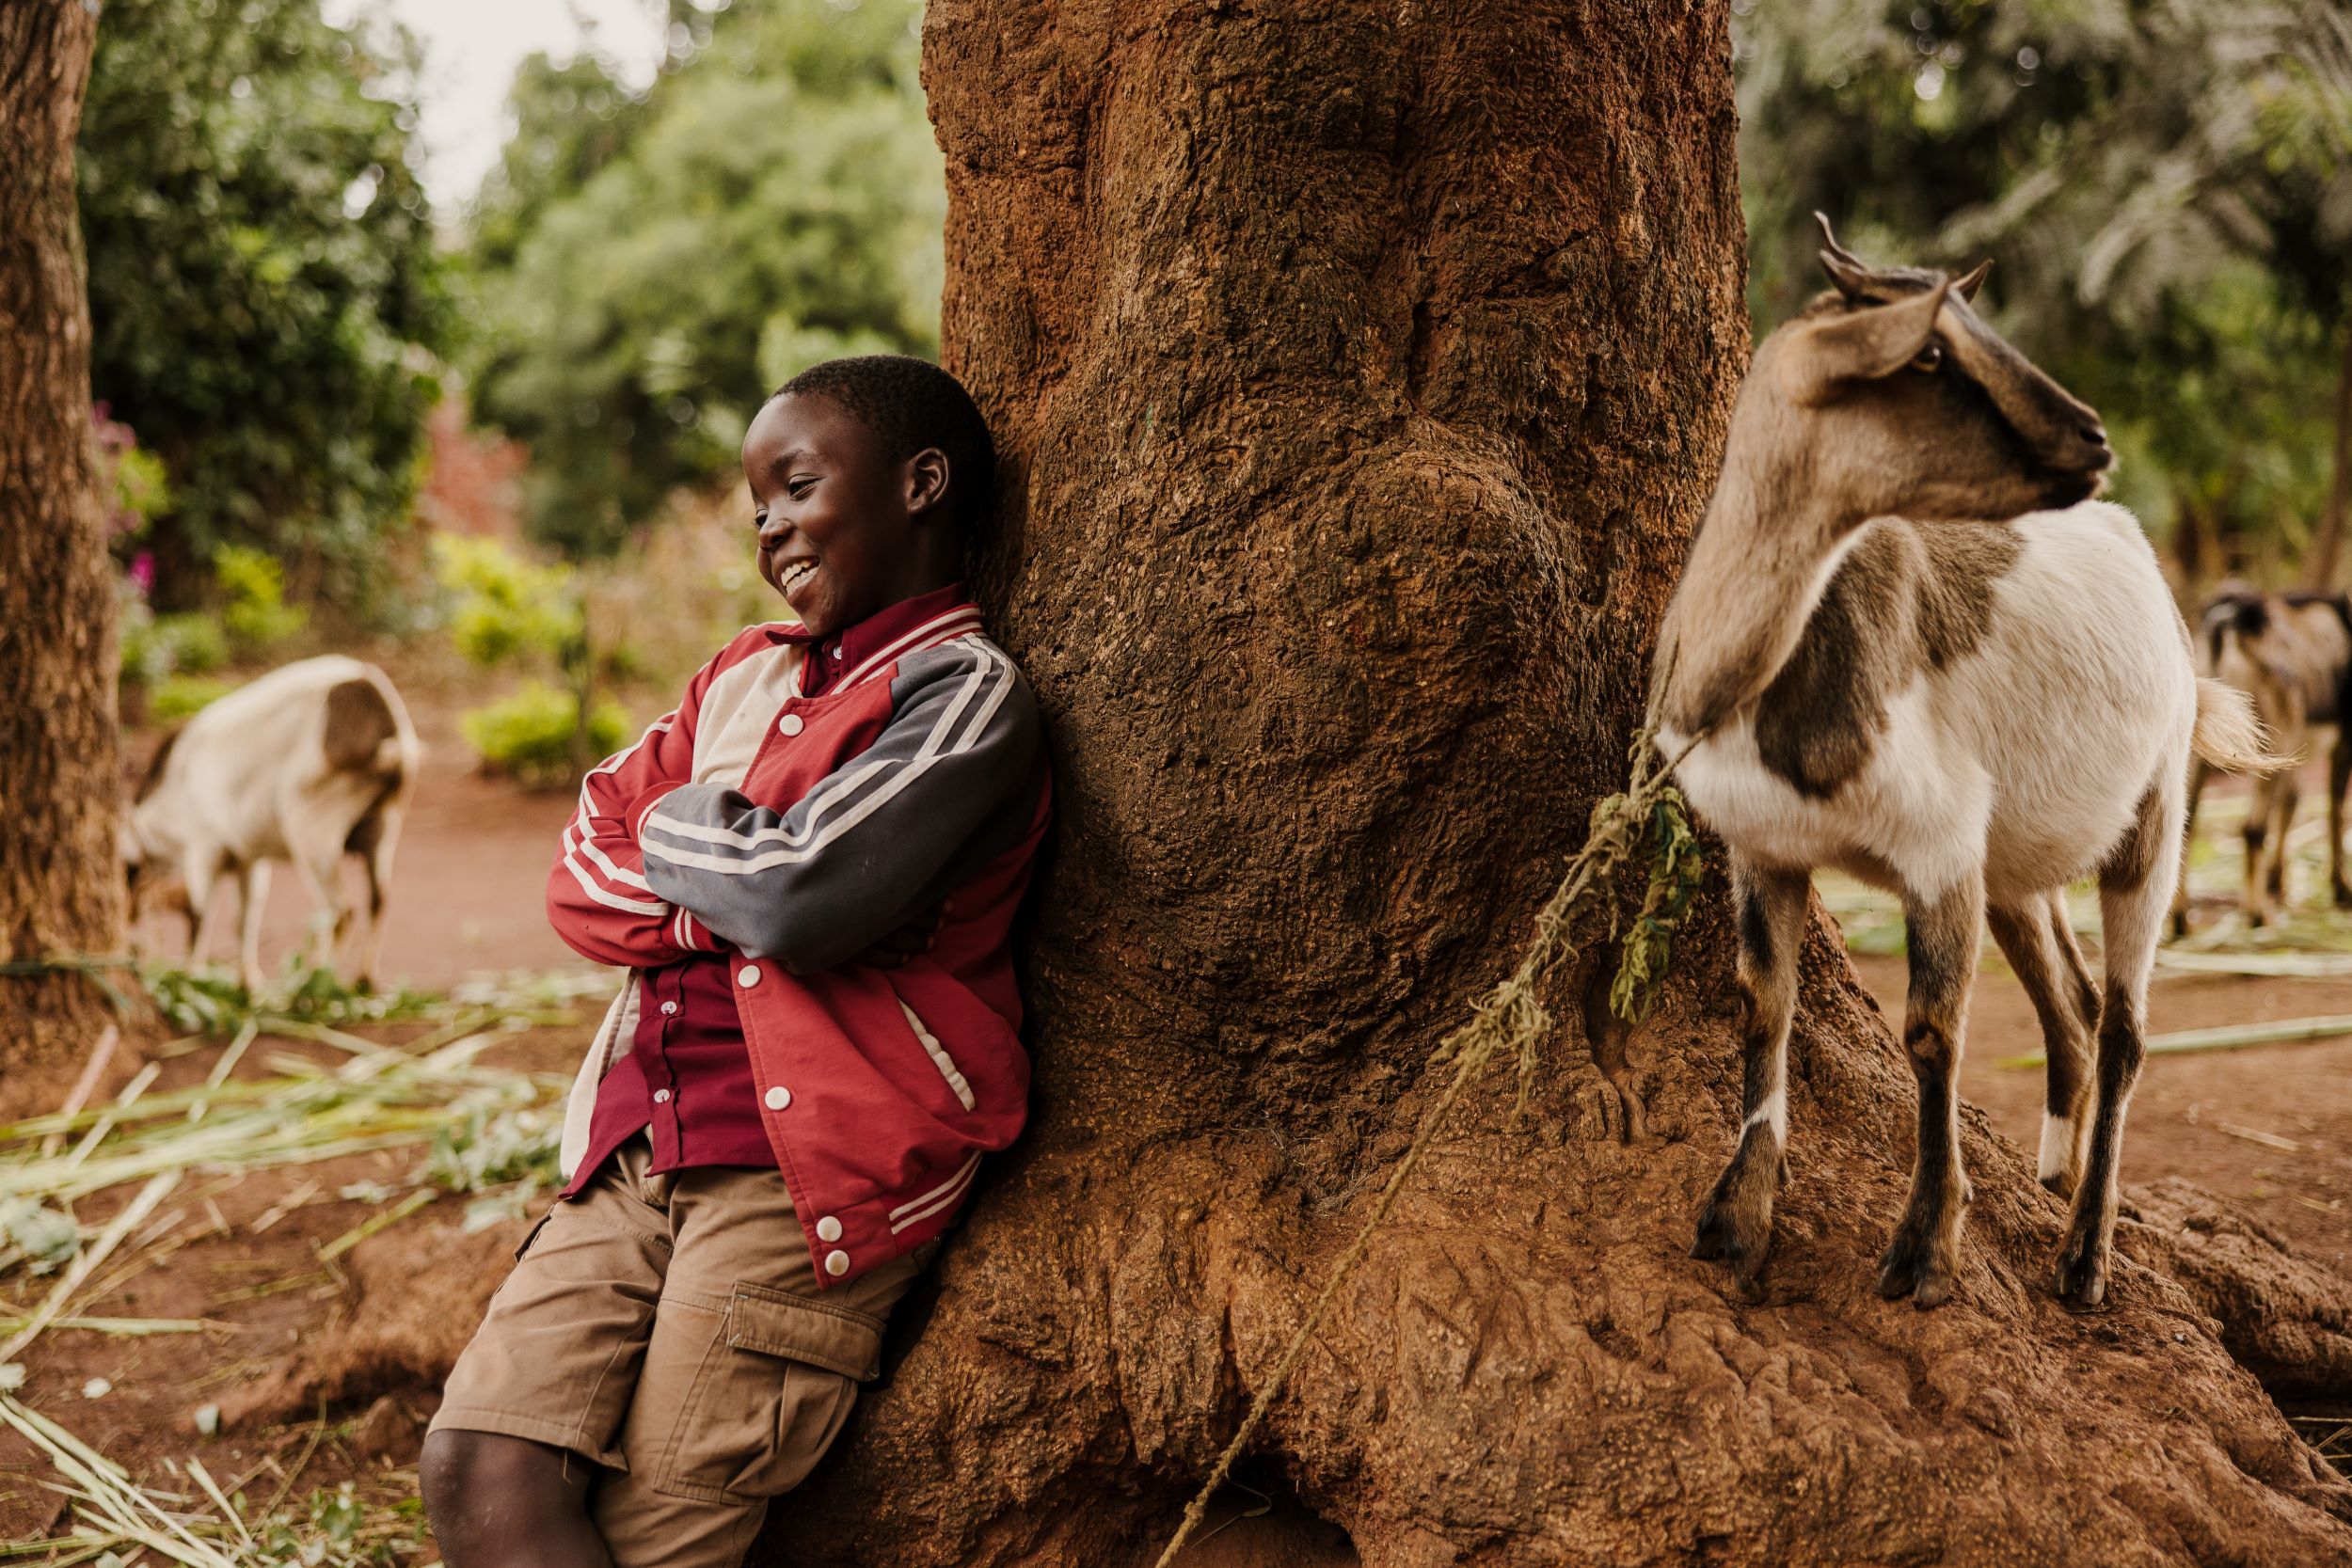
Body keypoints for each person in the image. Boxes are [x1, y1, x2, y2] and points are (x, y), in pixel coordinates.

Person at [420, 356, 1052, 1568]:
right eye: (755, 504)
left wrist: (692, 838)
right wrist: (726, 872)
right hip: (636, 1143)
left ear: (922, 484)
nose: (770, 528)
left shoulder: (968, 697)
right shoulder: (743, 672)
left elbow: (806, 897)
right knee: (479, 1465)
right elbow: (581, 861)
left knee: (656, 1534)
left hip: (803, 1183)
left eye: (796, 487)